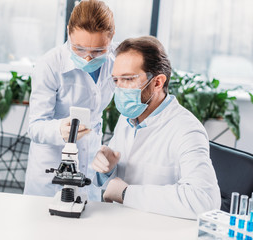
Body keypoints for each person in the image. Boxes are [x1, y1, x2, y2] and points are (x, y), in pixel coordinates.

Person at [92, 36, 221, 219]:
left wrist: (126, 193)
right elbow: (115, 182)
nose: (120, 89)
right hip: (123, 224)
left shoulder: (187, 129)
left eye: (128, 79)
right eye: (116, 80)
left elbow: (204, 200)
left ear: (158, 83)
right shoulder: (128, 118)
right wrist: (108, 168)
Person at [24, 0, 116, 201]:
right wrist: (59, 130)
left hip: (89, 161)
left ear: (111, 39)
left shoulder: (116, 62)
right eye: (80, 49)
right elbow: (35, 126)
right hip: (50, 169)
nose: (88, 58)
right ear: (68, 32)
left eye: (98, 51)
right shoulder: (49, 65)